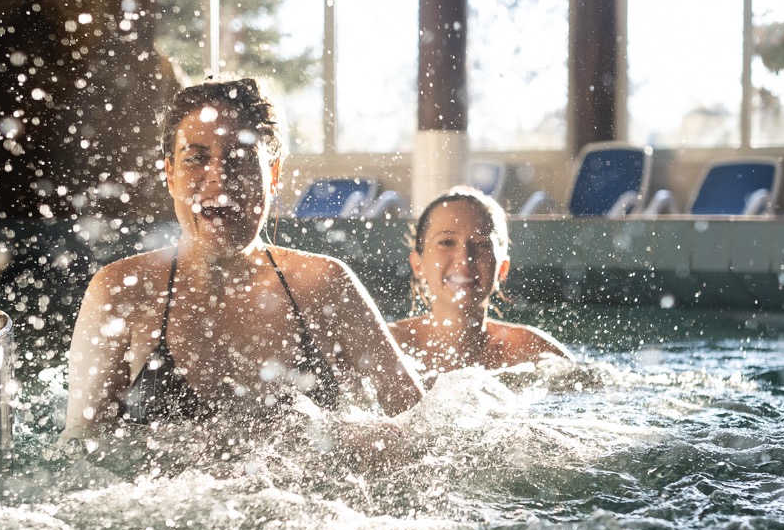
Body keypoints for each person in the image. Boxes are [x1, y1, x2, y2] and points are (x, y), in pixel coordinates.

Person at [61, 77, 423, 443]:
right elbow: (78, 452)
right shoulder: (122, 292)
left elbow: (422, 430)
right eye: (197, 158)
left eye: (241, 157)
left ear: (274, 175)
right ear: (170, 174)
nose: (220, 179)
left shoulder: (325, 285)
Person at [389, 186, 572, 375]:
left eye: (482, 244)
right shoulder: (386, 346)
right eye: (446, 242)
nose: (464, 256)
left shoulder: (531, 352)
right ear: (418, 265)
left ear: (502, 268)